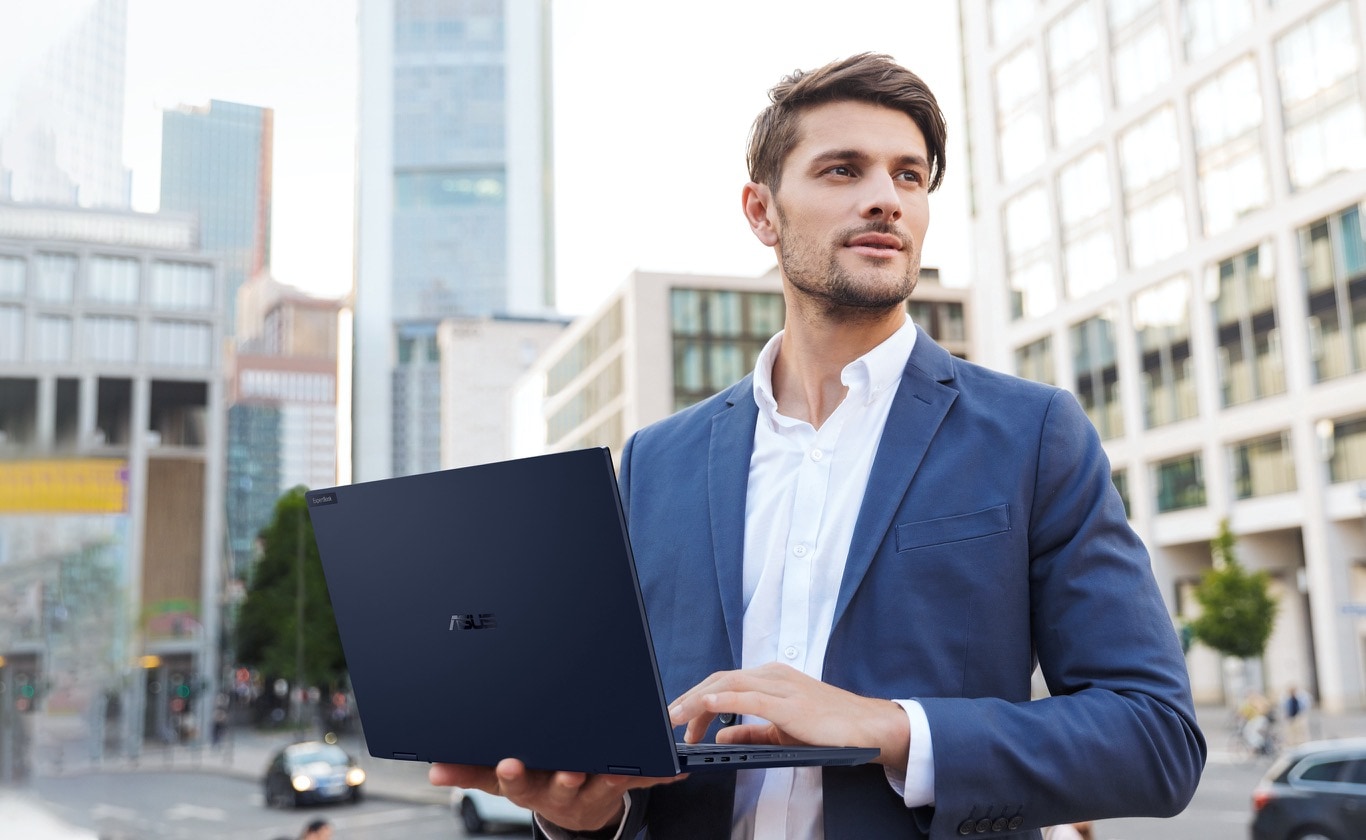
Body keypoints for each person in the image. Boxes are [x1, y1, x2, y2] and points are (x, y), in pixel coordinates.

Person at [429, 52, 1206, 838]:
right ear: (762, 212)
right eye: (843, 170)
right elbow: (626, 751)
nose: (885, 199)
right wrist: (584, 817)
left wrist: (890, 729)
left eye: (910, 176)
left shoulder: (1033, 434)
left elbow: (1156, 737)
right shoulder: (655, 462)